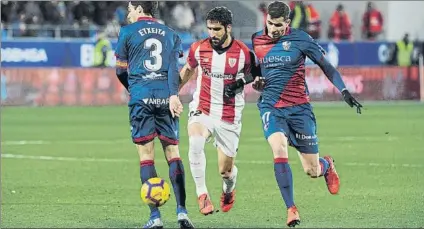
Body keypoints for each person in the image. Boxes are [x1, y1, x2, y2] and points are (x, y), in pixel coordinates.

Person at [225, 1, 362, 227]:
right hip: (270, 106)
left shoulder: (301, 39)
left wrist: (344, 90)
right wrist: (242, 82)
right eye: (270, 23)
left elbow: (326, 66)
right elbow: (259, 69)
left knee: (312, 170)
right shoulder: (258, 39)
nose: (273, 28)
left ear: (287, 23)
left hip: (299, 109)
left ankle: (326, 165)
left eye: (278, 25)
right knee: (278, 149)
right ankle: (291, 209)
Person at [114, 1, 194, 228]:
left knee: (146, 156)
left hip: (142, 97)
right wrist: (173, 94)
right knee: (173, 153)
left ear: (139, 9)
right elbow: (172, 69)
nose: (129, 14)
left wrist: (134, 89)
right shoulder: (170, 33)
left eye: (130, 9)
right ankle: (182, 212)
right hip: (166, 96)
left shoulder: (128, 31)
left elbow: (120, 69)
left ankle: (155, 217)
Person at [179, 6, 255, 216]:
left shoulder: (243, 53)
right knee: (195, 141)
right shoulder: (198, 48)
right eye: (209, 29)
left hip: (229, 115)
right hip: (203, 107)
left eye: (217, 29)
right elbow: (187, 71)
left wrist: (240, 83)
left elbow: (254, 75)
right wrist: (173, 94)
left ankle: (228, 190)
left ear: (228, 28)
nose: (212, 34)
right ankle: (202, 194)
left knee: (226, 171)